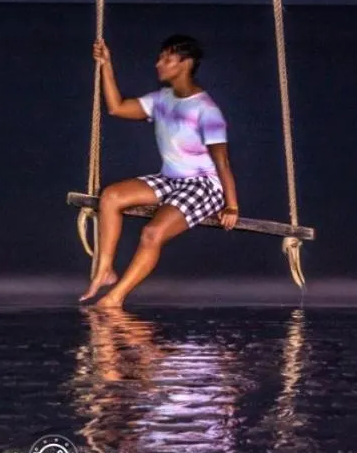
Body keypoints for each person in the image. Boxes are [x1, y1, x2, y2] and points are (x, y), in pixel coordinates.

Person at [80, 34, 239, 309]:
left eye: (167, 58)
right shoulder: (161, 99)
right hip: (170, 179)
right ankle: (105, 270)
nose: (158, 63)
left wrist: (232, 206)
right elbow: (117, 108)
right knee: (111, 196)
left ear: (185, 64)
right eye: (160, 57)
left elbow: (222, 162)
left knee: (151, 234)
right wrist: (106, 64)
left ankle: (115, 298)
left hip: (204, 185)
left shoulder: (206, 110)